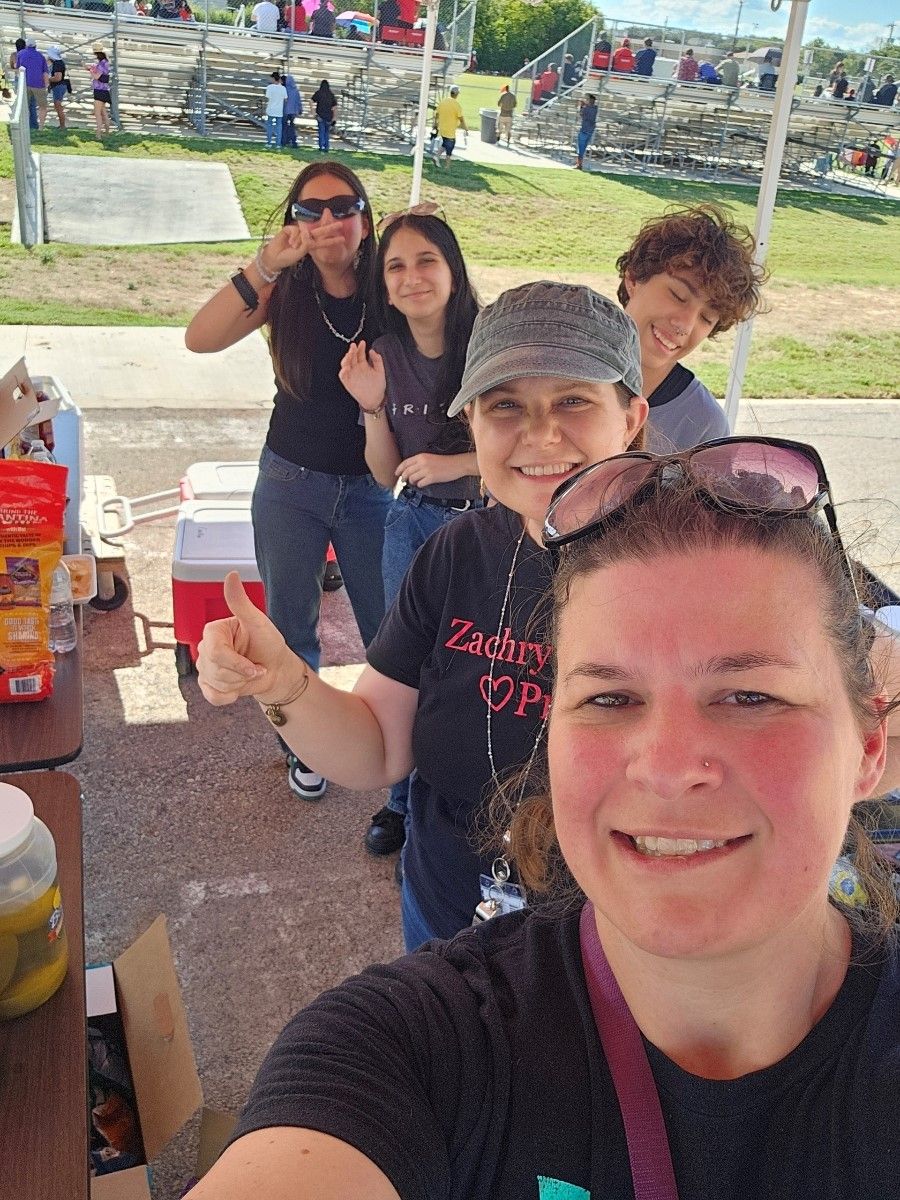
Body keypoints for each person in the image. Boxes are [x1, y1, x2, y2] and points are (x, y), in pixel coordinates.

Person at [189, 435, 900, 1200]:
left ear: (867, 748)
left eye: (751, 696)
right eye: (608, 698)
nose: (663, 765)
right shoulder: (413, 1049)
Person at [196, 281, 649, 947]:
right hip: (448, 923)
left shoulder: (696, 562)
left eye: (574, 400)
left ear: (631, 416)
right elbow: (377, 745)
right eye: (504, 406)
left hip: (620, 943)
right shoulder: (455, 553)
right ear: (471, 423)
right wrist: (283, 683)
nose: (540, 433)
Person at [185, 162, 393, 802]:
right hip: (289, 480)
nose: (329, 220)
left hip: (373, 486)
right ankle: (304, 747)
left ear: (364, 215)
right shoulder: (285, 289)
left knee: (389, 627)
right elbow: (199, 338)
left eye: (343, 205)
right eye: (311, 210)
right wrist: (263, 266)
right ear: (294, 223)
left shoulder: (392, 281)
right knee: (290, 624)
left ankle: (395, 757)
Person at [338, 208, 480, 857]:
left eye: (426, 261)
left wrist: (457, 462)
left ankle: (465, 795)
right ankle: (399, 803)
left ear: (452, 270)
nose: (412, 276)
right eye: (396, 266)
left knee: (471, 664)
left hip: (482, 524)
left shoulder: (487, 342)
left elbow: (530, 439)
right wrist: (370, 406)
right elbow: (387, 470)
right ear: (384, 284)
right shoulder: (385, 355)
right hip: (412, 521)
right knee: (404, 665)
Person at [616, 204, 765, 451]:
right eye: (678, 295)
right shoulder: (555, 367)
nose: (685, 324)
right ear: (633, 279)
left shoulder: (705, 426)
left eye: (707, 318)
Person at [16, 38, 48, 131]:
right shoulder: (41, 56)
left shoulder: (21, 54)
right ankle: (41, 127)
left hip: (25, 83)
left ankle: (24, 125)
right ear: (35, 46)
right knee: (42, 107)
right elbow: (45, 73)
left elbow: (17, 68)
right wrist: (46, 85)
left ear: (26, 45)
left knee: (24, 106)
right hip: (39, 84)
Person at [432, 85, 466, 169]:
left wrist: (436, 124)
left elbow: (437, 114)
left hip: (442, 128)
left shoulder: (443, 102)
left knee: (445, 144)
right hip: (450, 130)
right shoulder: (456, 105)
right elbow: (461, 118)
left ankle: (436, 157)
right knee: (450, 148)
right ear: (457, 94)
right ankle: (447, 167)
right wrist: (465, 128)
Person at [88, 44, 112, 137]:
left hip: (99, 90)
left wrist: (91, 70)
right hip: (104, 90)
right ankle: (107, 133)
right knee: (103, 112)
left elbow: (97, 76)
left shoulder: (102, 63)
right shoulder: (105, 62)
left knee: (97, 113)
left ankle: (98, 134)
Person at [46, 46, 68, 130]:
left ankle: (62, 126)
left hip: (58, 86)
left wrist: (48, 79)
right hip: (59, 86)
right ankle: (62, 125)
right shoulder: (59, 62)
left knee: (58, 106)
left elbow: (58, 77)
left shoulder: (57, 64)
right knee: (58, 106)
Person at [311, 79, 336, 151]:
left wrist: (313, 113)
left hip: (320, 116)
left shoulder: (318, 93)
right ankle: (326, 147)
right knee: (326, 132)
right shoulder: (331, 95)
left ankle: (321, 146)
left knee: (321, 131)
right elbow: (334, 107)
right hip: (329, 116)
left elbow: (311, 101)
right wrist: (334, 118)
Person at [264, 70, 286, 149]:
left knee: (269, 126)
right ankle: (278, 144)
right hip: (279, 110)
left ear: (273, 78)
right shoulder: (283, 88)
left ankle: (269, 142)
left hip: (271, 109)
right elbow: (285, 98)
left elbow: (268, 98)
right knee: (279, 127)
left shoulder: (270, 87)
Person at [574, 92, 597, 169]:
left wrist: (581, 106)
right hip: (590, 131)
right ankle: (579, 164)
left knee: (580, 148)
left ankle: (579, 164)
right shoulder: (595, 109)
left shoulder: (586, 108)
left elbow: (581, 114)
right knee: (582, 148)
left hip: (584, 130)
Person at [281, 72, 302, 147]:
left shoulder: (284, 89)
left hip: (285, 111)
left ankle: (284, 141)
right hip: (293, 111)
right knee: (292, 126)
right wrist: (300, 109)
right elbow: (298, 101)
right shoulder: (296, 90)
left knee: (284, 126)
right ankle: (293, 141)